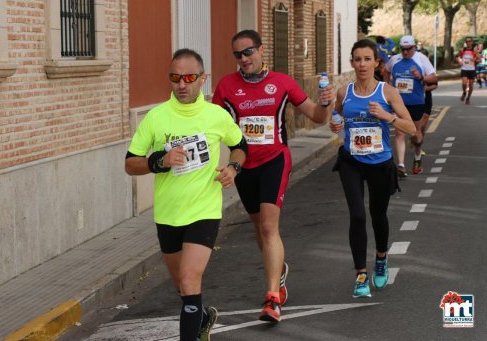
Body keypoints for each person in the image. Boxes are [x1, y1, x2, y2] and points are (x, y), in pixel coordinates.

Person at [124, 48, 247, 341]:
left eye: (189, 77)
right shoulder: (156, 118)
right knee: (183, 286)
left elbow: (241, 144)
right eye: (175, 78)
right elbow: (130, 164)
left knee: (191, 279)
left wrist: (233, 167)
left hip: (204, 210)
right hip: (168, 214)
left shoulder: (216, 115)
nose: (182, 84)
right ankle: (203, 317)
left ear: (202, 79)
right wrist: (160, 161)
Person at [212, 30, 334, 323]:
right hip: (243, 166)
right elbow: (211, 125)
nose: (244, 59)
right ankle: (278, 271)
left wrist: (326, 102)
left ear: (262, 49)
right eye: (238, 55)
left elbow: (317, 117)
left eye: (249, 52)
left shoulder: (282, 82)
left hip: (275, 161)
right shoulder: (226, 86)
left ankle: (272, 298)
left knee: (268, 226)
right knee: (259, 228)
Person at [330, 39, 415, 297]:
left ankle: (380, 257)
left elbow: (411, 128)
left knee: (378, 215)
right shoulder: (344, 93)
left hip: (379, 163)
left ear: (376, 62)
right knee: (357, 215)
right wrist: (335, 125)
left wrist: (387, 116)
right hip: (351, 161)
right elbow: (336, 116)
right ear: (352, 63)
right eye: (358, 59)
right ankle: (361, 276)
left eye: (368, 59)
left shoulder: (387, 92)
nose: (362, 64)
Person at [382, 35, 437, 177]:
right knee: (400, 132)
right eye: (403, 49)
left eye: (408, 49)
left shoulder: (421, 59)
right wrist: (387, 86)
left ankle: (417, 157)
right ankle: (401, 165)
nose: (405, 52)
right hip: (399, 103)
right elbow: (386, 71)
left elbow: (434, 77)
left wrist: (421, 77)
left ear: (413, 47)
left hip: (417, 102)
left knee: (415, 134)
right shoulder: (395, 59)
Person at [456, 37, 477, 103]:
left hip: (472, 69)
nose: (468, 42)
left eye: (469, 41)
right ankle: (464, 92)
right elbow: (457, 56)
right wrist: (459, 61)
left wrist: (475, 59)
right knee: (464, 83)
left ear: (472, 42)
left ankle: (468, 98)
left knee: (471, 85)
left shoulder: (474, 50)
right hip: (464, 69)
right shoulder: (462, 50)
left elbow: (479, 59)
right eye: (467, 41)